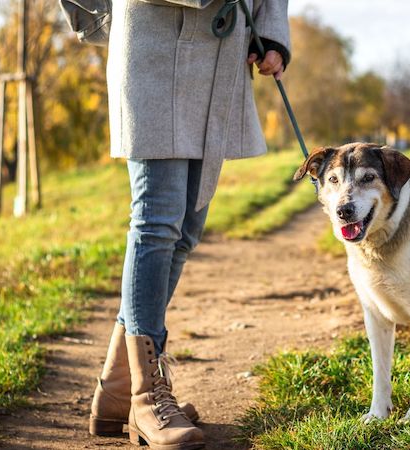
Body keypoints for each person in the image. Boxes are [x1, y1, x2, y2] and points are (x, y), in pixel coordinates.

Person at [87, 1, 290, 448]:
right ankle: (145, 396)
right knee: (157, 223)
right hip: (152, 49)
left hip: (218, 59)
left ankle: (117, 391)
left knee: (185, 232)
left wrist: (270, 34)